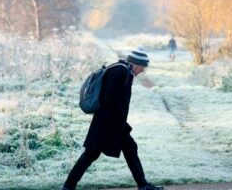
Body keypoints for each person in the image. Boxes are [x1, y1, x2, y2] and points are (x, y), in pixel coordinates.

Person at [62, 48, 163, 190]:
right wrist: (118, 121)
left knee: (129, 148)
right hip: (108, 123)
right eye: (143, 66)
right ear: (137, 64)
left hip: (112, 122)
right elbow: (110, 98)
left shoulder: (121, 69)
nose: (143, 70)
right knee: (91, 153)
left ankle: (143, 184)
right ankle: (68, 186)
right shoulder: (121, 72)